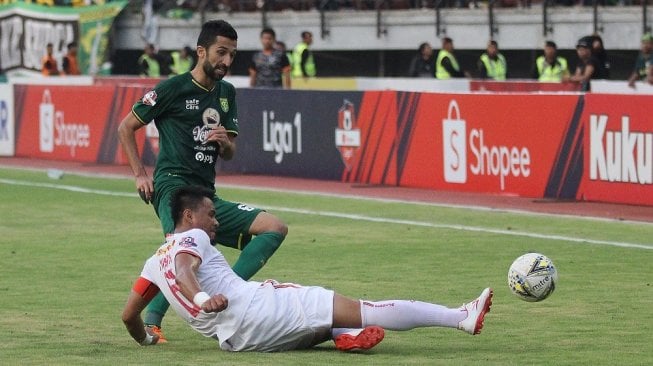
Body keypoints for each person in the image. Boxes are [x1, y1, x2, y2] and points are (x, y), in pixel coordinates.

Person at [121, 185, 494, 351]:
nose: (216, 222)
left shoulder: (153, 262)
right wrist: (202, 298)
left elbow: (128, 316)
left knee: (317, 319)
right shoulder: (194, 238)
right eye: (211, 214)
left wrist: (147, 339)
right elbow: (186, 269)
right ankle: (460, 317)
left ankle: (340, 333)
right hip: (257, 309)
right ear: (189, 216)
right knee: (366, 308)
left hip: (239, 342)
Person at [117, 19, 288, 342]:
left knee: (274, 228)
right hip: (172, 187)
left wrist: (225, 143)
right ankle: (151, 319)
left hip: (206, 196)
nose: (226, 61)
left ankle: (230, 292)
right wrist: (140, 174)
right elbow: (126, 127)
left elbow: (231, 153)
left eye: (232, 55)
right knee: (182, 250)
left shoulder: (226, 93)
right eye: (221, 52)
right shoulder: (172, 88)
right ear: (201, 51)